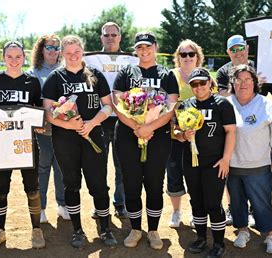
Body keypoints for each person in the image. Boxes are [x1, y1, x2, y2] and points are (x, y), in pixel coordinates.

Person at [42, 35, 116, 249]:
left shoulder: (95, 75)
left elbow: (108, 106)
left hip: (93, 135)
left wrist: (91, 123)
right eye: (68, 53)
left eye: (76, 52)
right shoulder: (55, 78)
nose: (73, 56)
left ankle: (105, 228)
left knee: (99, 185)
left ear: (82, 51)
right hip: (65, 139)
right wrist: (70, 125)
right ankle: (77, 230)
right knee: (71, 184)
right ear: (62, 54)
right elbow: (48, 113)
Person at [113, 32, 179, 250]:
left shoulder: (166, 74)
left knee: (153, 184)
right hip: (128, 135)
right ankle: (135, 229)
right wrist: (137, 127)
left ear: (155, 47)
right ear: (135, 50)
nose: (144, 51)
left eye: (148, 46)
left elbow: (170, 106)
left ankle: (152, 230)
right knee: (131, 183)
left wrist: (149, 127)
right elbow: (117, 102)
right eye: (140, 47)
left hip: (157, 135)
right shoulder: (126, 72)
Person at [0, 41, 45, 249]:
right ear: (3, 58)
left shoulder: (32, 81)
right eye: (9, 56)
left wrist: (40, 123)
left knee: (32, 188)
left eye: (18, 56)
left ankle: (36, 229)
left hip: (26, 142)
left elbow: (38, 108)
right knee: (0, 188)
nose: (14, 60)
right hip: (1, 144)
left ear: (24, 58)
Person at [175, 67, 236, 258]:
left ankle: (218, 243)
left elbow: (231, 132)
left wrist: (226, 159)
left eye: (203, 82)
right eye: (194, 84)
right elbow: (175, 132)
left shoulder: (222, 104)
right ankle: (201, 238)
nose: (199, 87)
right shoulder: (186, 105)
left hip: (214, 162)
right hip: (191, 161)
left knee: (213, 202)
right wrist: (183, 135)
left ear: (210, 83)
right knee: (196, 201)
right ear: (190, 86)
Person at [226, 64, 272, 255]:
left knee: (261, 202)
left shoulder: (266, 105)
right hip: (232, 165)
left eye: (247, 79)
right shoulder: (226, 104)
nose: (243, 83)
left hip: (259, 164)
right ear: (232, 82)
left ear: (255, 82)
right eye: (238, 79)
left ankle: (270, 235)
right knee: (236, 201)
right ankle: (243, 230)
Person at [86, 21, 128, 219]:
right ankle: (100, 204)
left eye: (114, 34)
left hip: (123, 119)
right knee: (98, 165)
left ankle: (120, 202)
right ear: (101, 37)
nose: (110, 38)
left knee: (122, 164)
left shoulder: (132, 60)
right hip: (100, 118)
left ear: (120, 37)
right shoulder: (90, 60)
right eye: (106, 35)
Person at [28, 34, 70, 223]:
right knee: (43, 167)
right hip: (42, 129)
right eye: (48, 47)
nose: (52, 51)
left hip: (63, 128)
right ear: (41, 50)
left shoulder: (65, 70)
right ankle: (41, 207)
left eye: (56, 47)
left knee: (61, 167)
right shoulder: (33, 72)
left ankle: (62, 205)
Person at [216, 35, 256, 227]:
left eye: (241, 47)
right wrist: (248, 86)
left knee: (256, 169)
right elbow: (223, 94)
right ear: (228, 52)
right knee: (231, 169)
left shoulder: (258, 65)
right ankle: (234, 207)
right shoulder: (224, 71)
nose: (238, 52)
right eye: (233, 49)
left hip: (256, 126)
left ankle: (254, 209)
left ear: (247, 48)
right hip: (232, 124)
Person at [167, 39, 205, 228]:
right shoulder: (171, 75)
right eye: (183, 54)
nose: (187, 57)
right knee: (174, 173)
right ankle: (176, 211)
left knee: (197, 176)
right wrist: (176, 128)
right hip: (176, 134)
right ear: (178, 58)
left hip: (200, 138)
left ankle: (195, 211)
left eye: (191, 54)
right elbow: (168, 106)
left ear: (197, 57)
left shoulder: (205, 77)